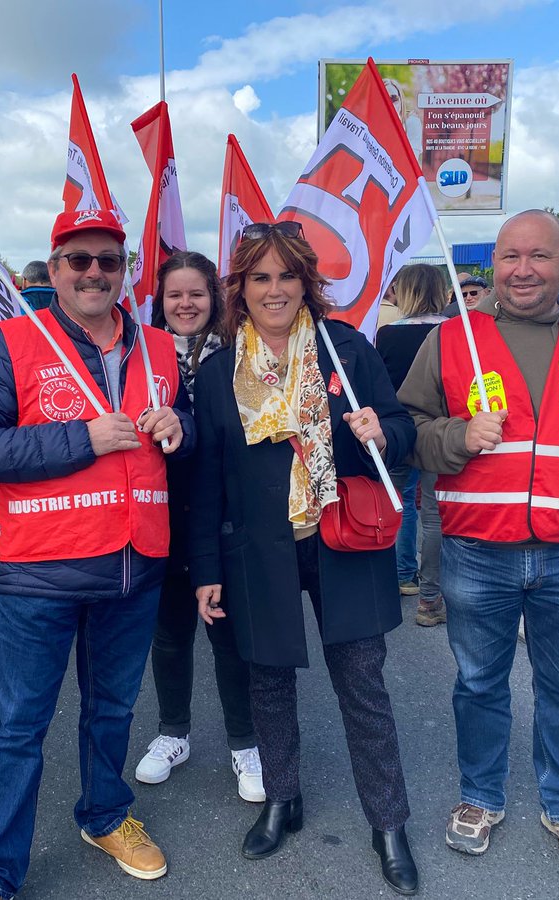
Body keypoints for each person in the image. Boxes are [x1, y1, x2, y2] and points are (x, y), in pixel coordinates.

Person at [399, 210, 559, 876]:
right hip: (475, 552)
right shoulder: (455, 337)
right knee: (479, 683)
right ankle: (481, 796)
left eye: (539, 257)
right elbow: (409, 430)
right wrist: (457, 437)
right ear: (495, 263)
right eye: (511, 256)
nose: (524, 270)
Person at [0, 208, 192, 900]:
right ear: (54, 271)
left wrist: (182, 425)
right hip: (43, 571)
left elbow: (184, 440)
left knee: (112, 710)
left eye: (108, 260)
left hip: (134, 565)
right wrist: (80, 439)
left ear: (126, 271)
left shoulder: (160, 349)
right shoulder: (13, 343)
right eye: (78, 260)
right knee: (20, 727)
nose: (93, 272)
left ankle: (105, 816)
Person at [189, 222, 418, 895]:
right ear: (241, 288)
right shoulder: (216, 369)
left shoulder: (345, 350)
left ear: (307, 283)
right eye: (260, 277)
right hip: (257, 548)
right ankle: (282, 800)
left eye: (287, 275)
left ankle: (388, 821)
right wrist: (205, 570)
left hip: (341, 535)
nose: (275, 289)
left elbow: (400, 427)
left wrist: (384, 429)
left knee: (363, 683)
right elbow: (205, 480)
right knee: (267, 679)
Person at [133, 250, 262, 801]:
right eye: (174, 295)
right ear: (160, 303)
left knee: (228, 635)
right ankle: (173, 733)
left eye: (196, 293)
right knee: (169, 634)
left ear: (215, 298)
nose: (185, 304)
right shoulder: (139, 356)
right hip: (160, 516)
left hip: (224, 518)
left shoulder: (242, 357)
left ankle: (245, 742)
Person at [375, 263, 449, 627]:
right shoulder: (456, 333)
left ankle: (402, 577)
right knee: (434, 512)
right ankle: (431, 598)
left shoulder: (388, 334)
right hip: (442, 431)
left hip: (399, 430)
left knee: (399, 502)